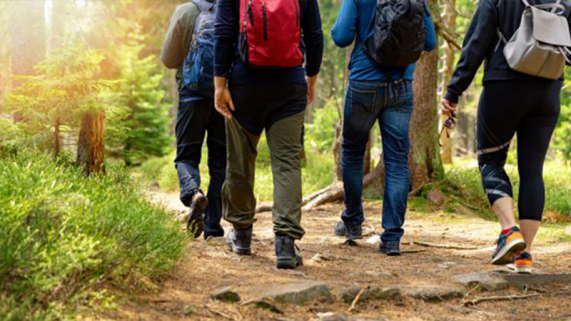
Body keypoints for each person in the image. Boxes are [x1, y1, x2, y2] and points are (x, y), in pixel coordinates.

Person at [442, 0, 571, 273]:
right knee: (532, 172)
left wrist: (453, 92)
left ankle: (509, 231)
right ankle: (524, 255)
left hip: (504, 85)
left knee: (490, 161)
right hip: (547, 91)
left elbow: (475, 44)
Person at [214, 0, 324, 269]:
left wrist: (219, 84)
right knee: (286, 164)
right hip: (289, 86)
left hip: (244, 88)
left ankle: (241, 235)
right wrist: (311, 80)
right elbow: (315, 34)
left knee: (240, 162)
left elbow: (224, 32)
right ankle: (285, 244)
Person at [331, 0, 436, 256]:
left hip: (364, 83)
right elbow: (430, 43)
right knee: (397, 161)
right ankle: (391, 237)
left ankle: (353, 221)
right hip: (401, 85)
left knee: (353, 152)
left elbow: (341, 36)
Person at [162, 0, 226, 240]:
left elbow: (168, 59)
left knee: (186, 156)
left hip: (191, 94)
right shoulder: (234, 9)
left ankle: (193, 193)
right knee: (221, 163)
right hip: (225, 97)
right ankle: (213, 229)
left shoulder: (185, 11)